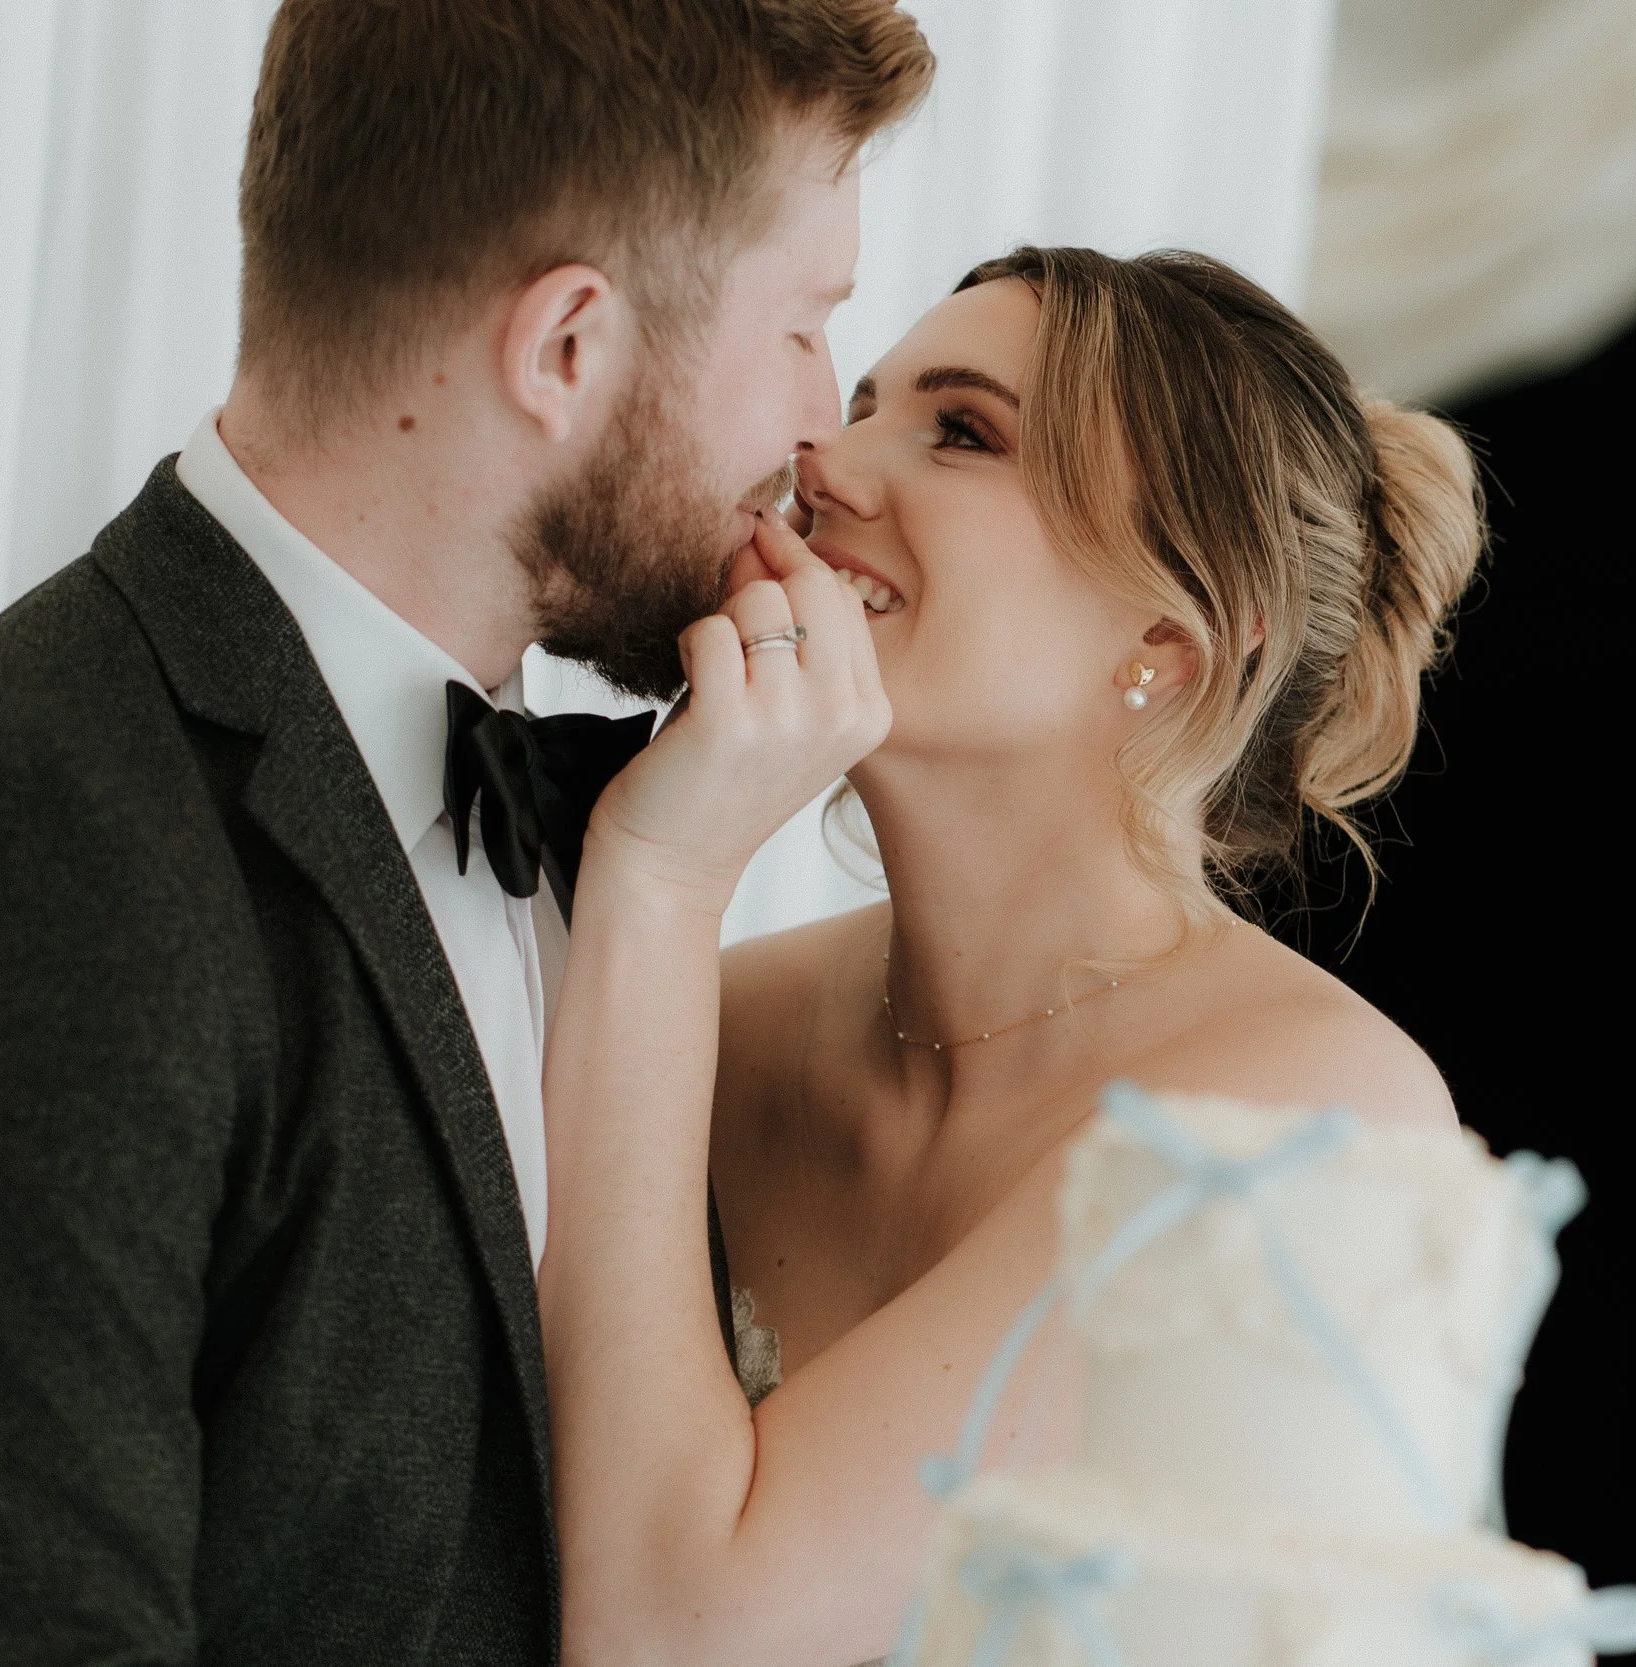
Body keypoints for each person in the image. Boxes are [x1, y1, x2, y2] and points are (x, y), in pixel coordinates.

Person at [0, 4, 930, 1661]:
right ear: (567, 345)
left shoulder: (629, 834)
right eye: (808, 325)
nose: (817, 431)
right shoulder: (19, 835)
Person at [541, 245, 1489, 1665]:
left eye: (962, 432)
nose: (827, 460)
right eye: (859, 403)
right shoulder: (710, 1027)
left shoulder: (1301, 1117)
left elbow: (673, 1628)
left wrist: (666, 874)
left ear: (1168, 643)